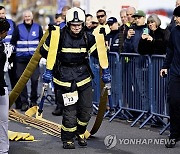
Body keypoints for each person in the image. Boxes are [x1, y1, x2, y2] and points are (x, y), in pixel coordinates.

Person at [40, 7, 111, 149]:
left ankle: (80, 133)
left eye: (79, 25)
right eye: (74, 25)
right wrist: (50, 37)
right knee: (70, 111)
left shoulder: (88, 37)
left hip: (83, 77)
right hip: (65, 78)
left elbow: (98, 55)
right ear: (68, 24)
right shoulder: (58, 36)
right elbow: (43, 52)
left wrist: (102, 41)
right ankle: (67, 139)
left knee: (86, 110)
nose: (77, 27)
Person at [11, 10, 43, 111]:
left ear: (32, 17)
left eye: (29, 16)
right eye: (25, 16)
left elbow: (42, 42)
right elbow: (13, 42)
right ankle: (24, 102)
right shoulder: (19, 28)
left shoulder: (38, 27)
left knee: (34, 80)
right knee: (22, 82)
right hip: (21, 59)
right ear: (23, 17)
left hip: (34, 60)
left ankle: (33, 101)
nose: (27, 18)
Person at [160, 6, 180, 148]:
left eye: (178, 17)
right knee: (173, 102)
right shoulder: (174, 31)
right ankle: (174, 135)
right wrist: (164, 66)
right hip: (175, 73)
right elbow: (170, 50)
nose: (175, 19)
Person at [0, 5, 22, 109]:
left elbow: (15, 38)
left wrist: (12, 49)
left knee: (14, 78)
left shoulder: (11, 23)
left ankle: (18, 102)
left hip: (10, 54)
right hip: (1, 53)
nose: (2, 15)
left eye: (3, 13)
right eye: (0, 14)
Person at [0, 17, 10, 154]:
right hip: (1, 87)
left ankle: (3, 149)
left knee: (3, 121)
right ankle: (3, 149)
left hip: (1, 85)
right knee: (3, 121)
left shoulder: (1, 45)